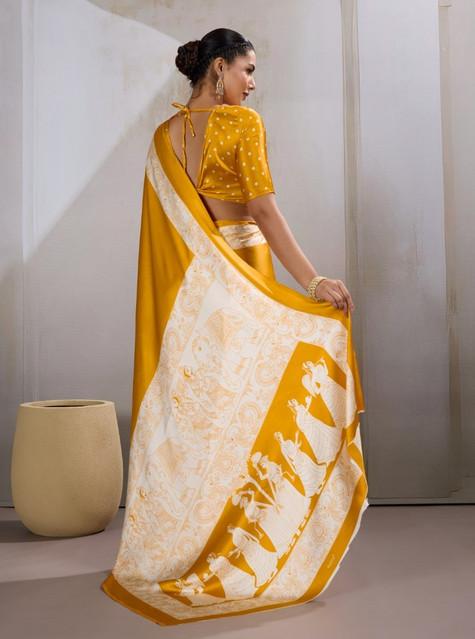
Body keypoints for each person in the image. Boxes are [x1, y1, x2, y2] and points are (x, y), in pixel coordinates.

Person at [101, 27, 368, 626]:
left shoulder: (163, 136)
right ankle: (235, 548)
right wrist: (313, 281)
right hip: (245, 275)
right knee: (251, 412)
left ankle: (187, 546)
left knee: (208, 417)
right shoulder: (242, 124)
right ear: (218, 69)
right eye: (247, 70)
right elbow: (263, 211)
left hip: (194, 296)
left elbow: (170, 236)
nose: (252, 84)